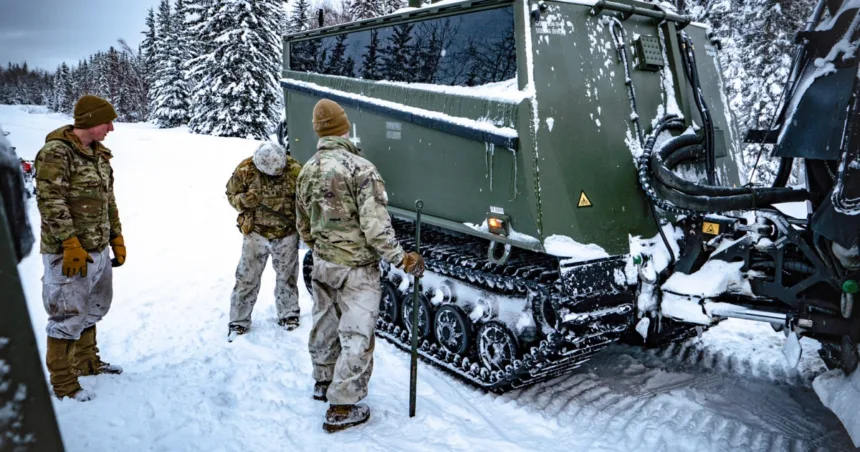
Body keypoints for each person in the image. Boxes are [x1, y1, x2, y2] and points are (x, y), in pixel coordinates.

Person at [296, 99, 424, 433]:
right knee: (356, 333)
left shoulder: (307, 169)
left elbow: (303, 225)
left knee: (324, 323)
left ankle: (324, 382)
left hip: (323, 263)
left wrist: (324, 248)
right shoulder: (360, 169)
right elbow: (375, 228)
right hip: (357, 268)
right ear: (344, 128)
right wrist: (402, 258)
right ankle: (342, 406)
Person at [34, 95, 126, 401]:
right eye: (107, 122)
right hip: (67, 253)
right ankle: (64, 384)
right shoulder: (56, 153)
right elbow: (50, 201)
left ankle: (86, 362)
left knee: (97, 306)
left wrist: (117, 238)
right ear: (87, 121)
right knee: (66, 315)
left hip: (97, 249)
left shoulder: (99, 155)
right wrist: (70, 242)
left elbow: (108, 200)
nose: (111, 128)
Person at [225, 141, 303, 341]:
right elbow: (231, 194)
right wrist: (243, 201)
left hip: (286, 233)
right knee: (246, 278)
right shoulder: (246, 169)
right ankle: (238, 322)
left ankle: (289, 315)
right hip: (256, 234)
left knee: (287, 277)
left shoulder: (295, 170)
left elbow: (307, 200)